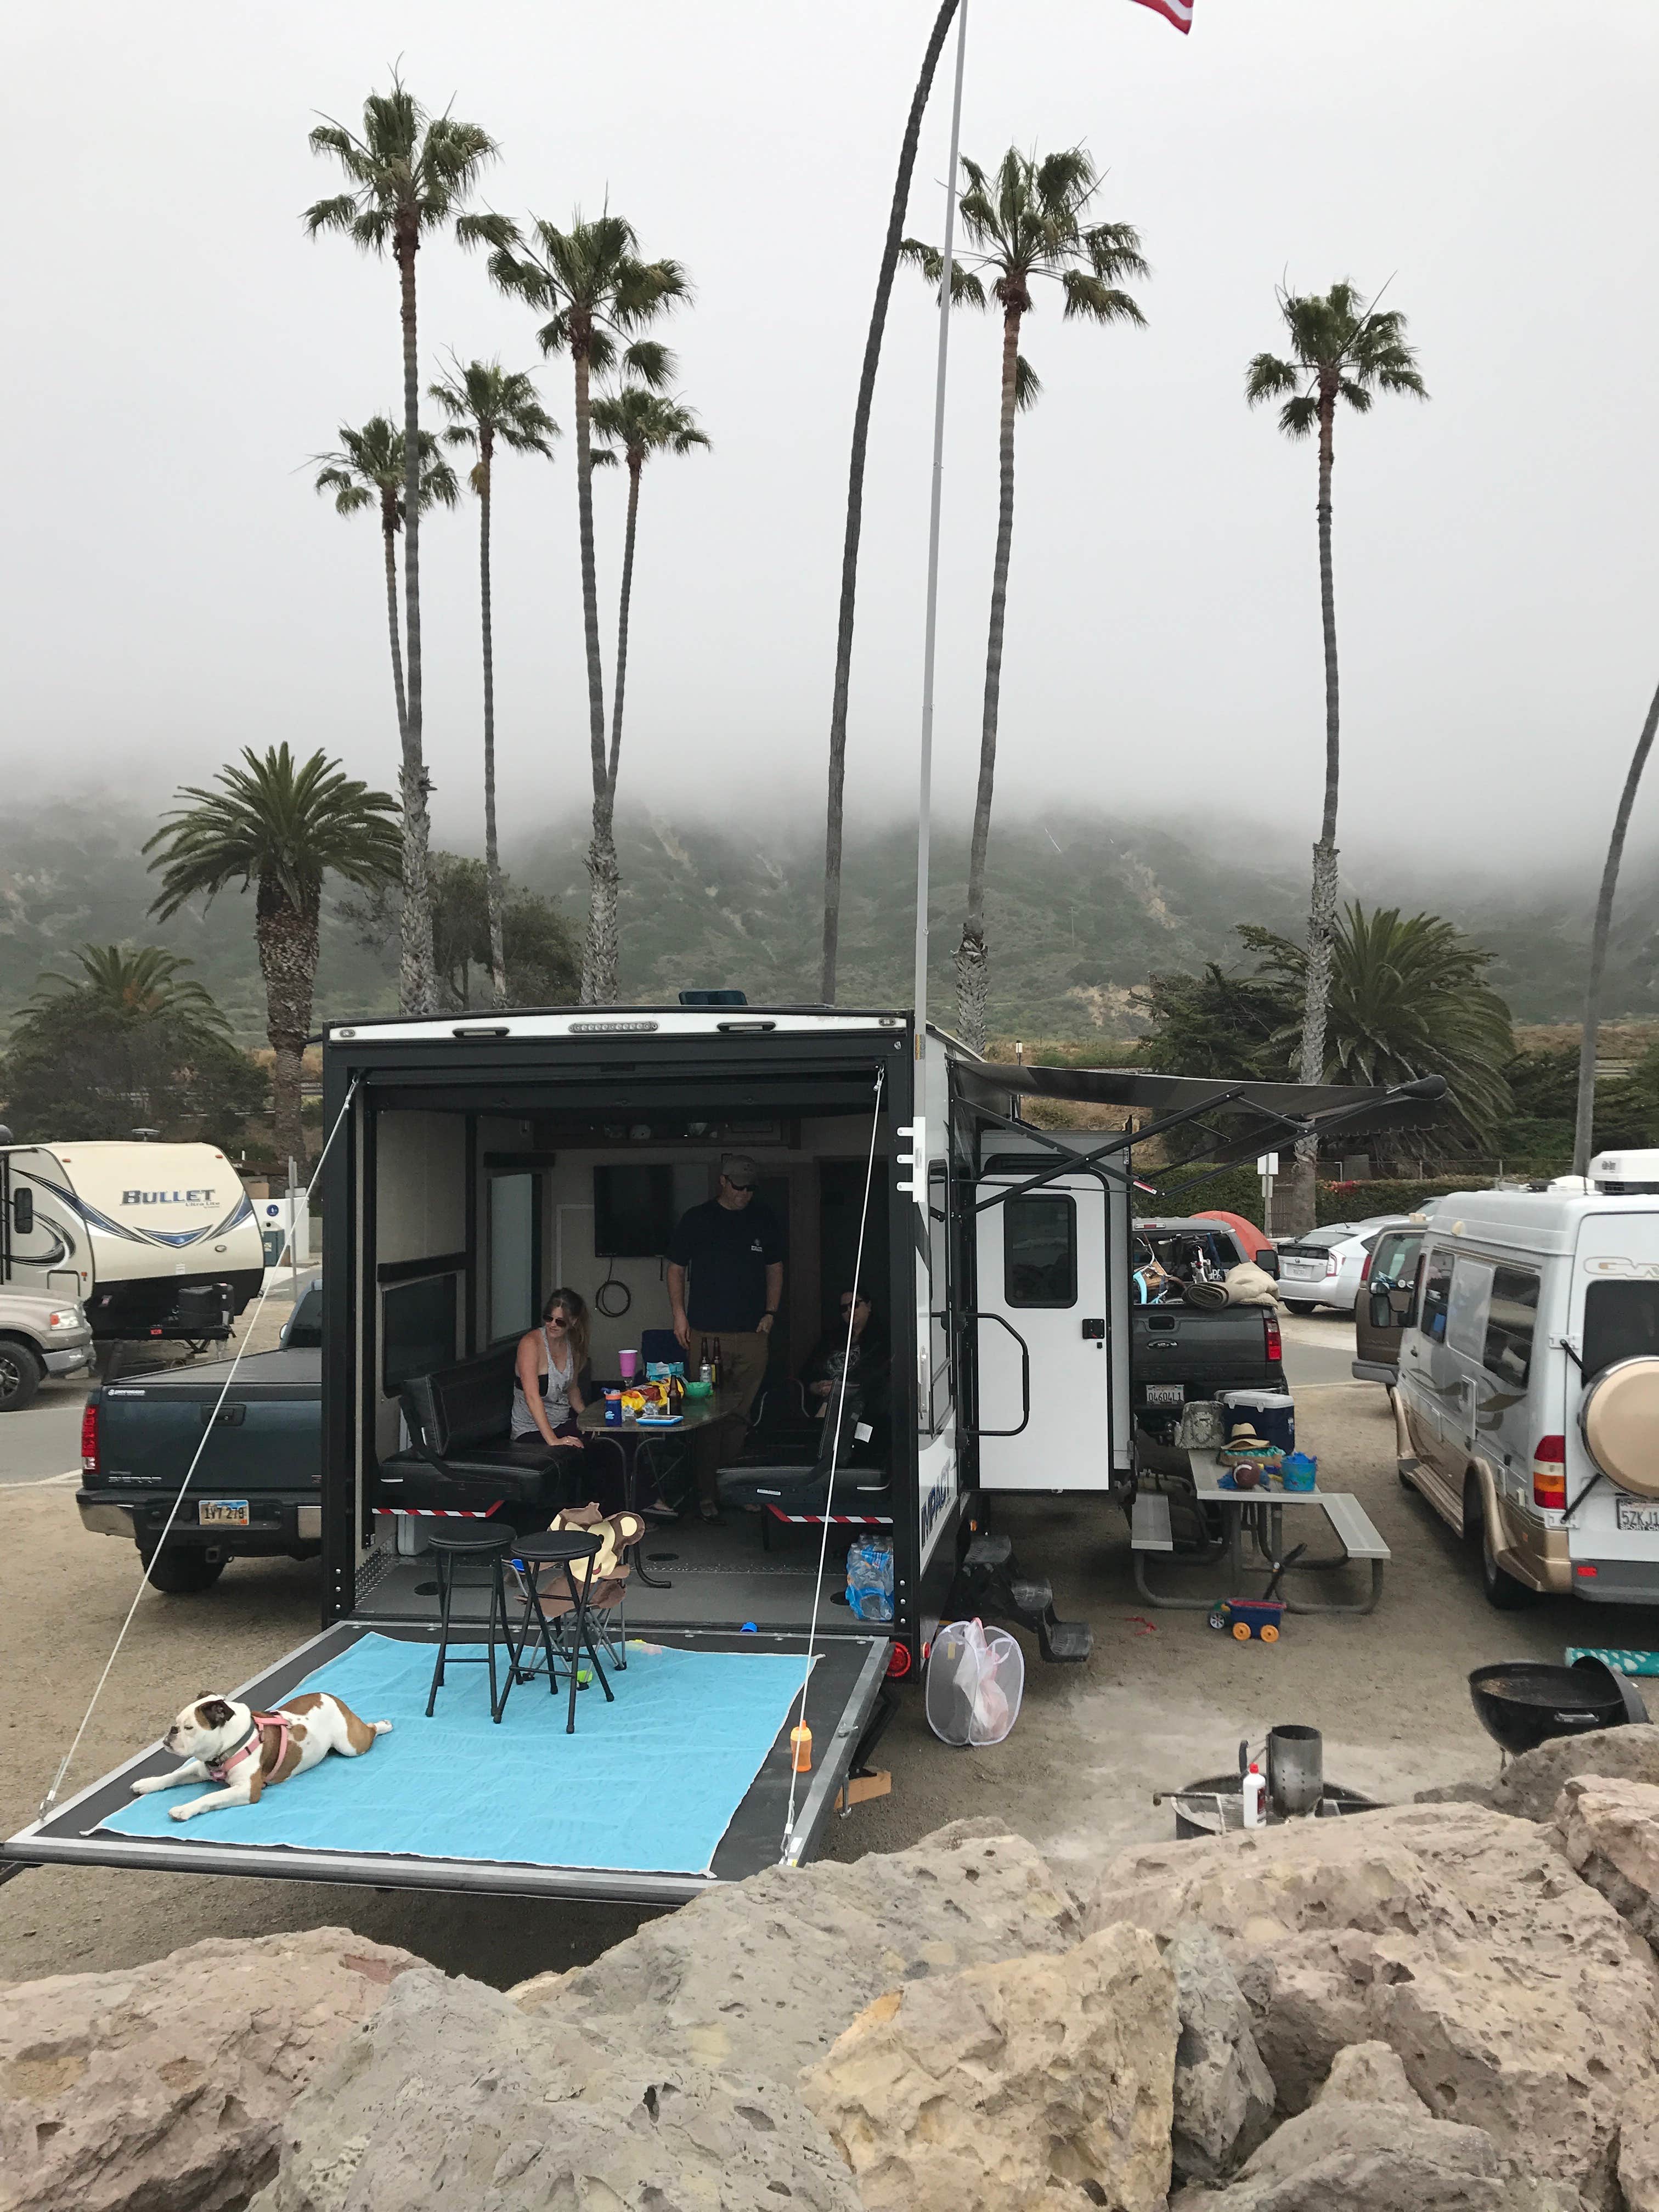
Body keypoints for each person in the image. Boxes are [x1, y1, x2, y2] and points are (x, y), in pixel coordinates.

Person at [666, 1154, 784, 1520]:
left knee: (739, 1414)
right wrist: (679, 1315)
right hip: (706, 1335)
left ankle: (735, 1489)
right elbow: (675, 1268)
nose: (744, 1194)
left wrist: (771, 1313)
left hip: (751, 1333)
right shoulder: (697, 1218)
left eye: (750, 1188)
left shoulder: (763, 1218)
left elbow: (775, 1268)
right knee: (707, 1416)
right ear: (723, 1181)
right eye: (738, 1186)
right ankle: (706, 1494)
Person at [800, 1289, 890, 1462]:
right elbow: (806, 1375)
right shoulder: (830, 1339)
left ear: (869, 1306)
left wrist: (840, 1389)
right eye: (844, 1309)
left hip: (858, 1407)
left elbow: (877, 1378)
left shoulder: (882, 1340)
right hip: (821, 1402)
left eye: (854, 1305)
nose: (849, 1311)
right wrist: (816, 1387)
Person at [512, 1287, 592, 1455]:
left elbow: (573, 1389)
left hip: (562, 1422)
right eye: (549, 1318)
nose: (553, 1325)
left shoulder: (573, 1346)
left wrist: (590, 1420)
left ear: (574, 1321)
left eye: (560, 1321)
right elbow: (532, 1396)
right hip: (530, 1430)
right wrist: (553, 1440)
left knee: (608, 1435)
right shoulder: (530, 1344)